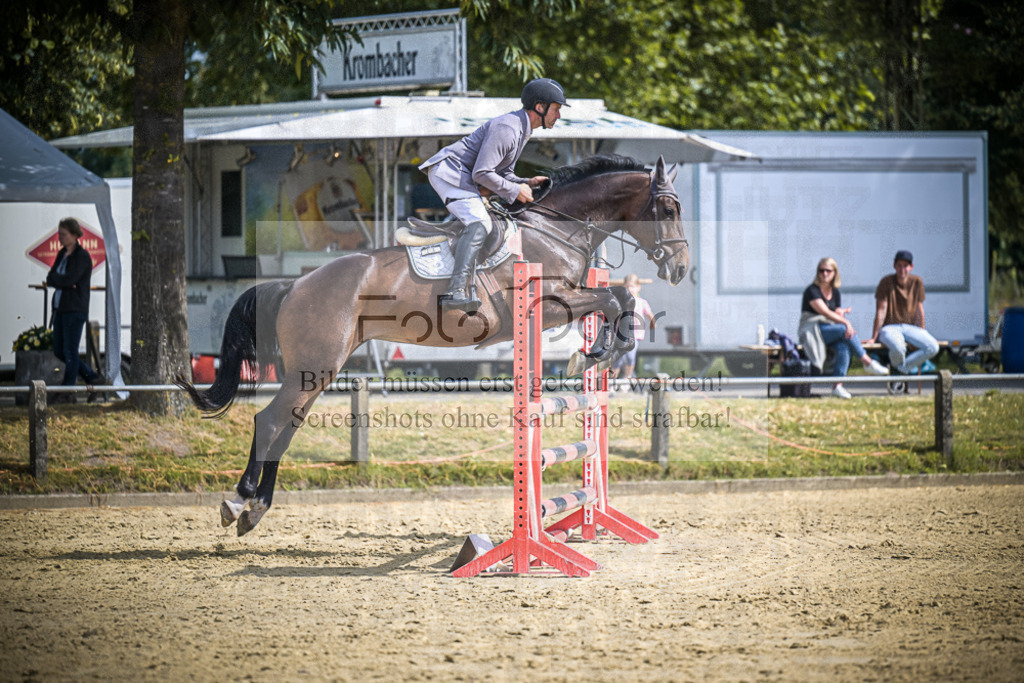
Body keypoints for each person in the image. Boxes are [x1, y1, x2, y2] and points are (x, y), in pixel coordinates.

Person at [419, 77, 569, 312]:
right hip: (450, 172)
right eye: (556, 109)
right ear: (539, 107)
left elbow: (503, 172)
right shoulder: (509, 128)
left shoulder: (521, 129)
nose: (558, 116)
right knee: (480, 223)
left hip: (461, 174)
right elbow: (482, 174)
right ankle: (455, 290)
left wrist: (525, 182)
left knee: (487, 222)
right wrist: (514, 190)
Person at [798, 257, 889, 399]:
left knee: (843, 346)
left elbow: (834, 314)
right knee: (843, 330)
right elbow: (825, 312)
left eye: (828, 271)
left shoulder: (835, 292)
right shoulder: (812, 290)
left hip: (829, 329)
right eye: (821, 271)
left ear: (834, 273)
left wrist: (841, 314)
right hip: (812, 329)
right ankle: (867, 361)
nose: (824, 274)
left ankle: (837, 386)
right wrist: (846, 323)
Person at [46, 217, 105, 403]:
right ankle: (92, 377)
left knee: (70, 350)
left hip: (75, 308)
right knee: (59, 350)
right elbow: (51, 278)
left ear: (74, 235)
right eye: (59, 234)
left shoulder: (82, 256)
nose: (60, 238)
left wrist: (62, 282)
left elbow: (69, 279)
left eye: (63, 234)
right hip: (60, 307)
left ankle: (68, 388)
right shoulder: (62, 254)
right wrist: (62, 282)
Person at [867, 250, 940, 375]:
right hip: (889, 328)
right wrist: (874, 337)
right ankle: (900, 373)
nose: (902, 269)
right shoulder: (886, 282)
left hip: (910, 328)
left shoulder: (917, 282)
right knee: (899, 348)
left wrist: (921, 331)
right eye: (899, 265)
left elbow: (919, 310)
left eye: (905, 266)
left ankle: (900, 370)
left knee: (933, 347)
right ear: (894, 266)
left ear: (911, 267)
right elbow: (881, 311)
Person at [610, 273, 656, 383]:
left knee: (630, 357)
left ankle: (628, 377)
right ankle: (613, 381)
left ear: (638, 287)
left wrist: (653, 323)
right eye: (627, 287)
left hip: (634, 335)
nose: (630, 289)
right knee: (617, 359)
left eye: (632, 286)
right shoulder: (620, 302)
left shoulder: (641, 302)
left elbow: (650, 314)